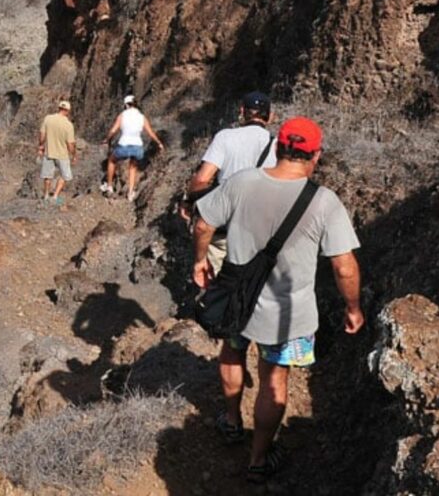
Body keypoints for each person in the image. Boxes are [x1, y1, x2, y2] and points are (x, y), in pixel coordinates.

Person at [191, 116, 364, 484]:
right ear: (316, 155)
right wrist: (353, 308)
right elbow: (344, 266)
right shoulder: (324, 202)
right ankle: (258, 458)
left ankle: (232, 421)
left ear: (280, 147)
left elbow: (203, 223)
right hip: (288, 314)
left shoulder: (242, 182)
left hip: (237, 301)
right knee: (274, 380)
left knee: (232, 352)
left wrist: (200, 261)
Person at [179, 91, 276, 273]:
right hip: (259, 229)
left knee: (216, 280)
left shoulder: (225, 137)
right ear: (270, 116)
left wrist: (188, 201)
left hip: (224, 223)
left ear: (242, 111)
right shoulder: (278, 145)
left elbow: (202, 179)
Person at [101, 95, 163, 201]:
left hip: (124, 145)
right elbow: (150, 132)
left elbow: (113, 130)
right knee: (133, 167)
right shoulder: (142, 117)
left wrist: (106, 139)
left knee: (111, 160)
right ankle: (130, 193)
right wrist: (159, 143)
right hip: (137, 147)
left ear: (126, 105)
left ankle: (110, 186)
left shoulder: (122, 115)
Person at [39, 98, 76, 206]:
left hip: (49, 152)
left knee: (47, 176)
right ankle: (55, 197)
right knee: (65, 176)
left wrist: (41, 146)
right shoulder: (68, 125)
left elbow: (42, 135)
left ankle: (46, 196)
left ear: (59, 108)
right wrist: (73, 155)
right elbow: (70, 143)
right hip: (62, 155)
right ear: (68, 111)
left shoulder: (48, 119)